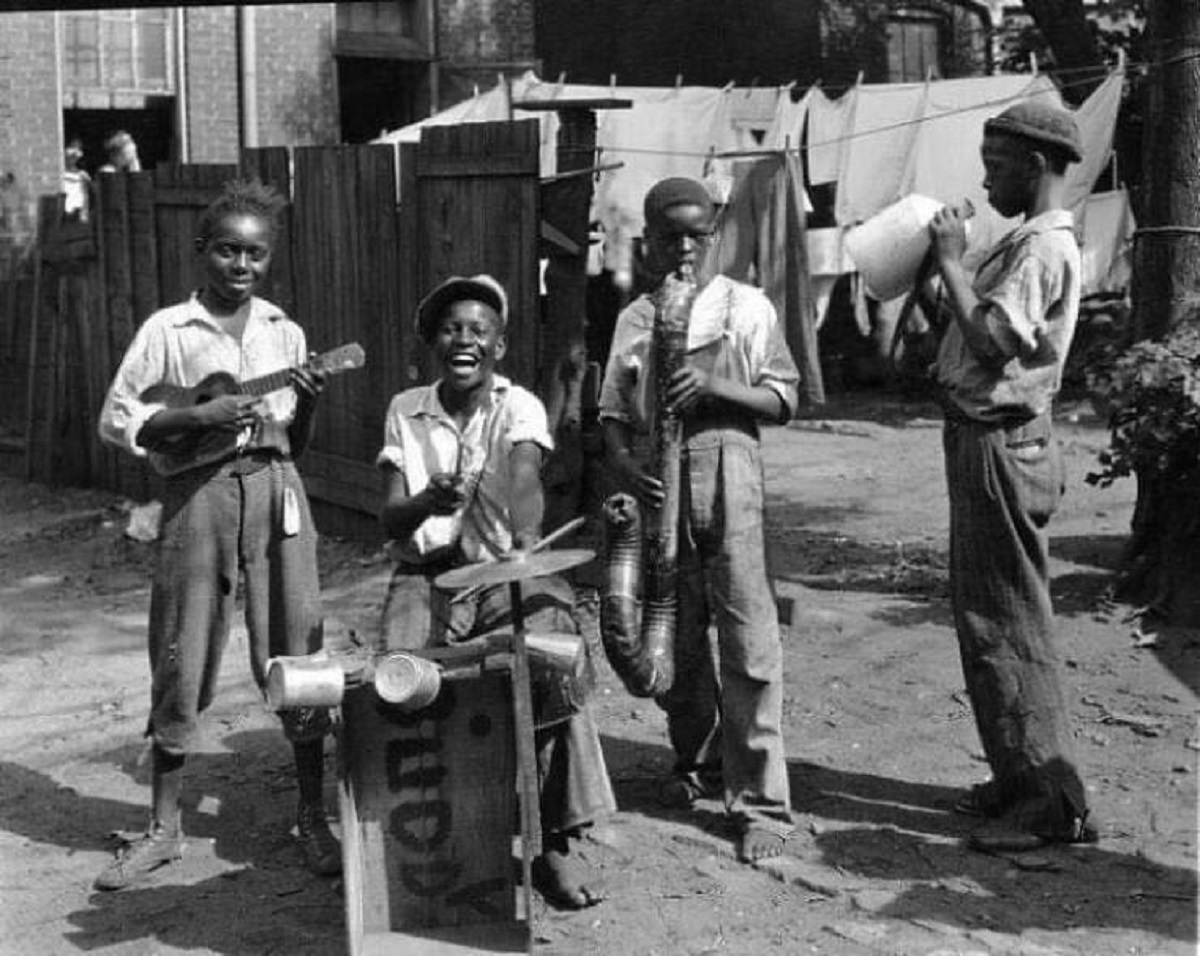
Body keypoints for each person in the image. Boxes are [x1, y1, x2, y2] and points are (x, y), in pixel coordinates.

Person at [94, 179, 340, 890]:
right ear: (203, 251)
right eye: (228, 250)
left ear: (270, 259)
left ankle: (311, 817)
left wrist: (311, 404)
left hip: (274, 490)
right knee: (181, 645)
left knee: (300, 645)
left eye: (255, 253)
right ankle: (163, 829)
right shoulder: (167, 331)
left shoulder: (284, 333)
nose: (241, 264)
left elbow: (297, 438)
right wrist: (200, 418)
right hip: (196, 496)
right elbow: (119, 419)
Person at [377, 274, 617, 909]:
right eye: (452, 329)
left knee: (553, 658)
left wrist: (525, 541)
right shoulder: (406, 408)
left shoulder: (520, 406)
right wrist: (430, 497)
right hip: (424, 574)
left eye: (478, 330)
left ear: (498, 347)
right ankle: (432, 844)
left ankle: (550, 846)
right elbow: (391, 517)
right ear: (435, 343)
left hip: (503, 567)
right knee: (400, 678)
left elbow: (526, 474)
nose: (465, 340)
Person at [599, 177, 799, 863]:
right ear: (648, 241)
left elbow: (782, 398)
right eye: (669, 236)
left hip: (730, 467)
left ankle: (762, 805)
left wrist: (714, 386)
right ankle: (701, 760)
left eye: (696, 234)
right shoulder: (633, 319)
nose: (683, 247)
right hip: (662, 480)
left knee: (748, 633)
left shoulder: (745, 306)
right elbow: (612, 420)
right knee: (675, 632)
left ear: (712, 235)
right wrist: (630, 467)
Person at [926, 100, 1098, 850]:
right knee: (985, 615)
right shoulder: (1027, 241)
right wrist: (949, 272)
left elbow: (993, 341)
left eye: (996, 162)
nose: (986, 175)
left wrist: (951, 262)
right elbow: (980, 328)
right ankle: (1019, 774)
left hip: (1001, 444)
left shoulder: (1041, 248)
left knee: (1007, 620)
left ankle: (1049, 803)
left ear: (1033, 165)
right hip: (985, 440)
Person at [61, 137, 91, 221]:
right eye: (72, 148)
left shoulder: (83, 176)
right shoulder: (58, 174)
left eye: (78, 149)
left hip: (79, 219)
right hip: (63, 218)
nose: (75, 153)